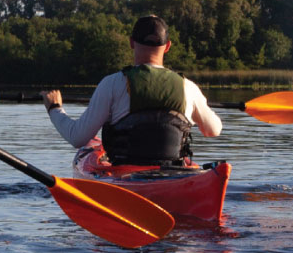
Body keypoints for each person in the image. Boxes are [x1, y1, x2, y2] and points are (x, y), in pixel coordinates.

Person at [41, 15, 223, 167]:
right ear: (167, 46)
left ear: (131, 43)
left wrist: (54, 108)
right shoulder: (188, 87)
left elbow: (77, 138)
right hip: (173, 174)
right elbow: (213, 130)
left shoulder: (112, 83)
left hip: (125, 177)